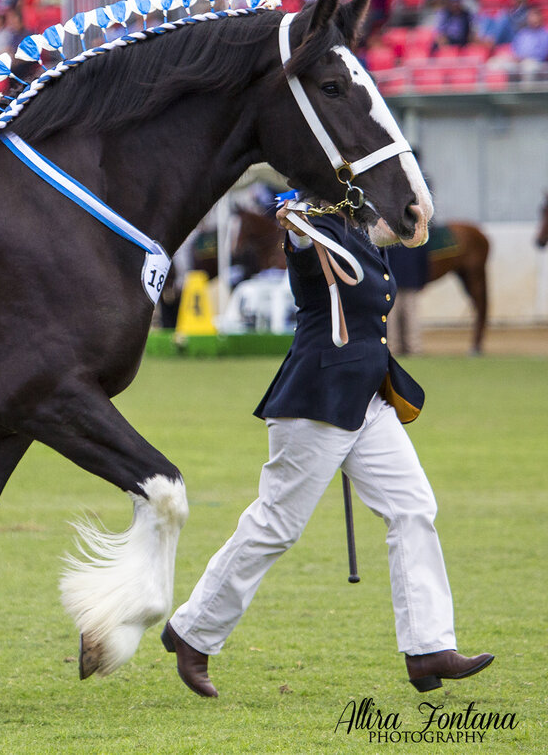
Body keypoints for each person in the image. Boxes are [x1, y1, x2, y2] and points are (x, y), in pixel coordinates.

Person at [163, 202, 494, 699]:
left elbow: (399, 229)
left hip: (369, 395)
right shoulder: (309, 231)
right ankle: (193, 632)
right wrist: (295, 218)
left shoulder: (359, 229)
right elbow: (300, 244)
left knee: (413, 507)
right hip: (316, 397)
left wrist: (412, 206)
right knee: (276, 525)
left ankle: (428, 646)